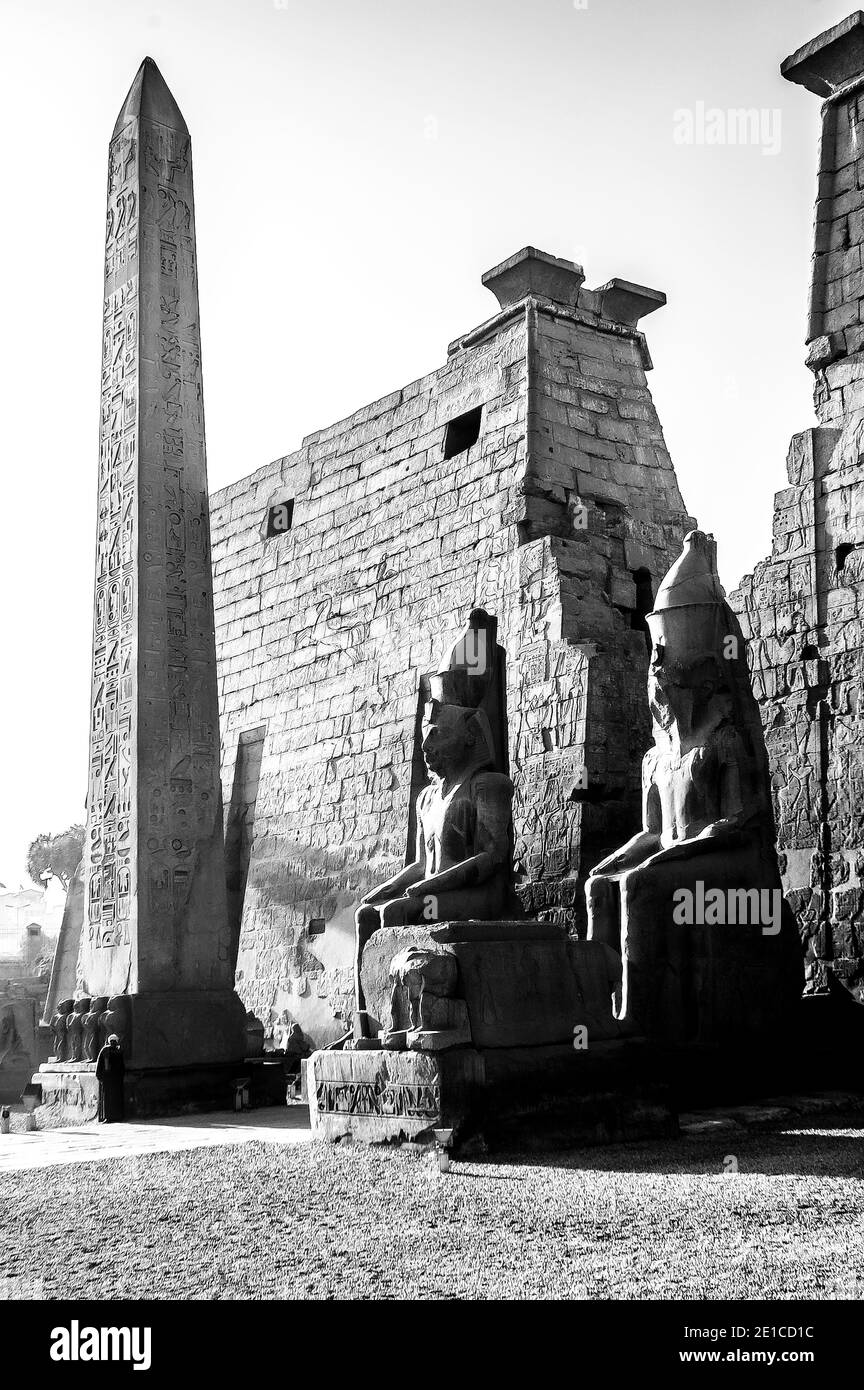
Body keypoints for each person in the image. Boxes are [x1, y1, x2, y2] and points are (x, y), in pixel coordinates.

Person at [95, 1033, 125, 1123]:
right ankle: (117, 1116)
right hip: (115, 1079)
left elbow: (99, 1064)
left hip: (108, 1078)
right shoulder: (118, 1051)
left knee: (108, 1098)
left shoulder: (105, 1050)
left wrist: (99, 1076)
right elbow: (122, 1067)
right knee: (115, 1098)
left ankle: (108, 1117)